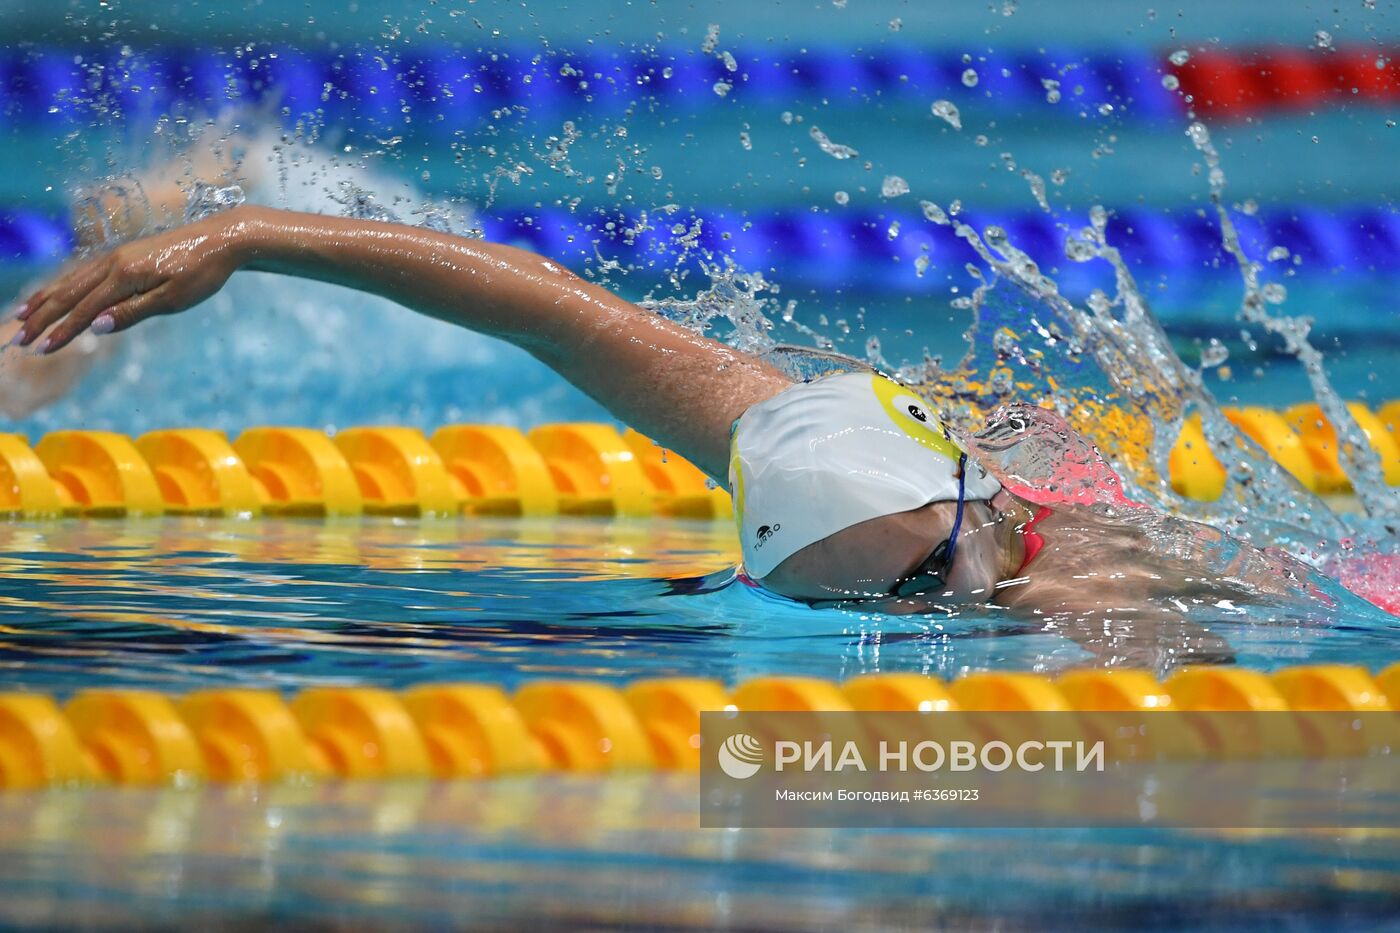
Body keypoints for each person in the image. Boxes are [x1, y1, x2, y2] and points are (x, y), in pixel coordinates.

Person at [10, 204, 1325, 667]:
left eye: (926, 577)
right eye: (865, 597)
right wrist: (243, 234)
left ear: (979, 505)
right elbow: (547, 309)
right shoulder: (784, 438)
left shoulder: (1091, 594)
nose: (935, 607)